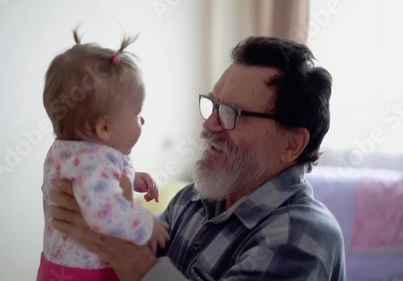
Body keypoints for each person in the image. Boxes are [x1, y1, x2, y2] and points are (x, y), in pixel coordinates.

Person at [48, 36, 346, 280]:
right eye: (213, 106)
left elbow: (134, 259)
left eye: (232, 113)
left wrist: (119, 249)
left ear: (292, 144)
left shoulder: (301, 237)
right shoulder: (193, 199)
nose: (209, 124)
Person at [36, 29, 170, 281]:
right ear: (104, 128)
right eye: (135, 114)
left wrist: (131, 177)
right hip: (86, 274)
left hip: (59, 266)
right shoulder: (94, 163)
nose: (142, 119)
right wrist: (146, 225)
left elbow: (94, 186)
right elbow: (103, 212)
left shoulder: (67, 150)